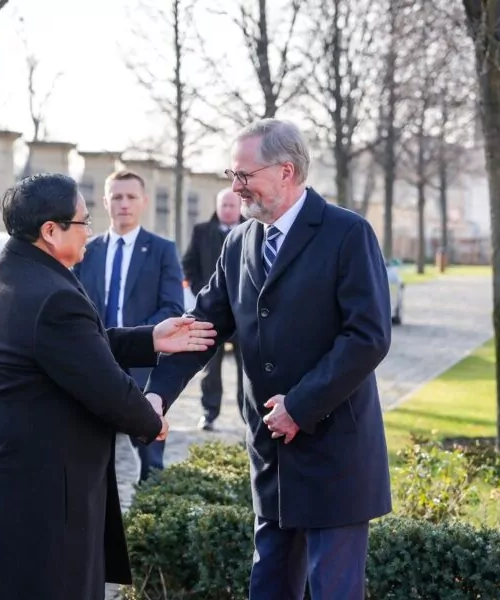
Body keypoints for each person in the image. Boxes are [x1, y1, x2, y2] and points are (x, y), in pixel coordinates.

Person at [144, 119, 393, 600]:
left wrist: (300, 405)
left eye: (243, 175)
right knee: (269, 588)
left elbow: (368, 337)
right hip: (272, 457)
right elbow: (203, 327)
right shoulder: (238, 242)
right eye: (231, 175)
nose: (235, 187)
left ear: (286, 170)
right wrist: (157, 395)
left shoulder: (347, 233)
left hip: (334, 455)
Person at [0, 173, 215, 599]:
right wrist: (149, 417)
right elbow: (105, 386)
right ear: (50, 230)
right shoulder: (51, 296)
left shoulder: (11, 271)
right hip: (43, 497)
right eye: (82, 221)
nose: (89, 231)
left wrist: (151, 338)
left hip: (8, 481)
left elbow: (72, 347)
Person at [74, 169, 184, 483]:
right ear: (105, 202)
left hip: (144, 371)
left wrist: (137, 341)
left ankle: (147, 524)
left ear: (144, 201)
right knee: (90, 458)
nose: (124, 203)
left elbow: (172, 308)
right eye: (117, 197)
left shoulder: (163, 249)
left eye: (131, 197)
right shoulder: (86, 250)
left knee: (150, 462)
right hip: (95, 365)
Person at [182, 188, 246, 430]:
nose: (228, 209)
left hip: (244, 312)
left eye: (232, 205)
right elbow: (189, 264)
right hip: (212, 313)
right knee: (211, 367)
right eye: (224, 205)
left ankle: (249, 414)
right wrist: (203, 291)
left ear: (239, 206)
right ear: (218, 207)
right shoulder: (201, 232)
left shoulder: (253, 229)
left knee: (248, 367)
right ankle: (209, 413)